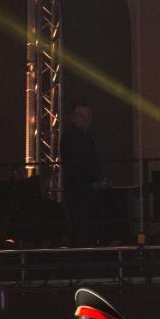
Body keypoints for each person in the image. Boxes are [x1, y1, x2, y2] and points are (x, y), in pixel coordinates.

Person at [61, 102, 103, 245]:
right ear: (73, 117)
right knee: (82, 227)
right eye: (81, 115)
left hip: (84, 189)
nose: (85, 119)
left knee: (86, 228)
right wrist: (94, 180)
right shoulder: (72, 137)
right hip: (79, 190)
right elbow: (79, 164)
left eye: (88, 115)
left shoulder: (85, 137)